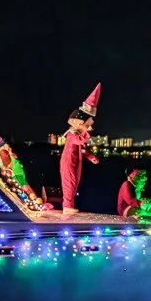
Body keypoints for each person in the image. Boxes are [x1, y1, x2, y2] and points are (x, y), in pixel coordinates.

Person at [60, 83, 101, 214]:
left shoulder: (78, 135)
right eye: (86, 123)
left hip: (76, 162)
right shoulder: (72, 134)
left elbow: (83, 149)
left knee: (74, 183)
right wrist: (87, 132)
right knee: (69, 183)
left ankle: (70, 204)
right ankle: (67, 205)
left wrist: (92, 157)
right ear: (77, 122)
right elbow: (80, 140)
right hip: (68, 162)